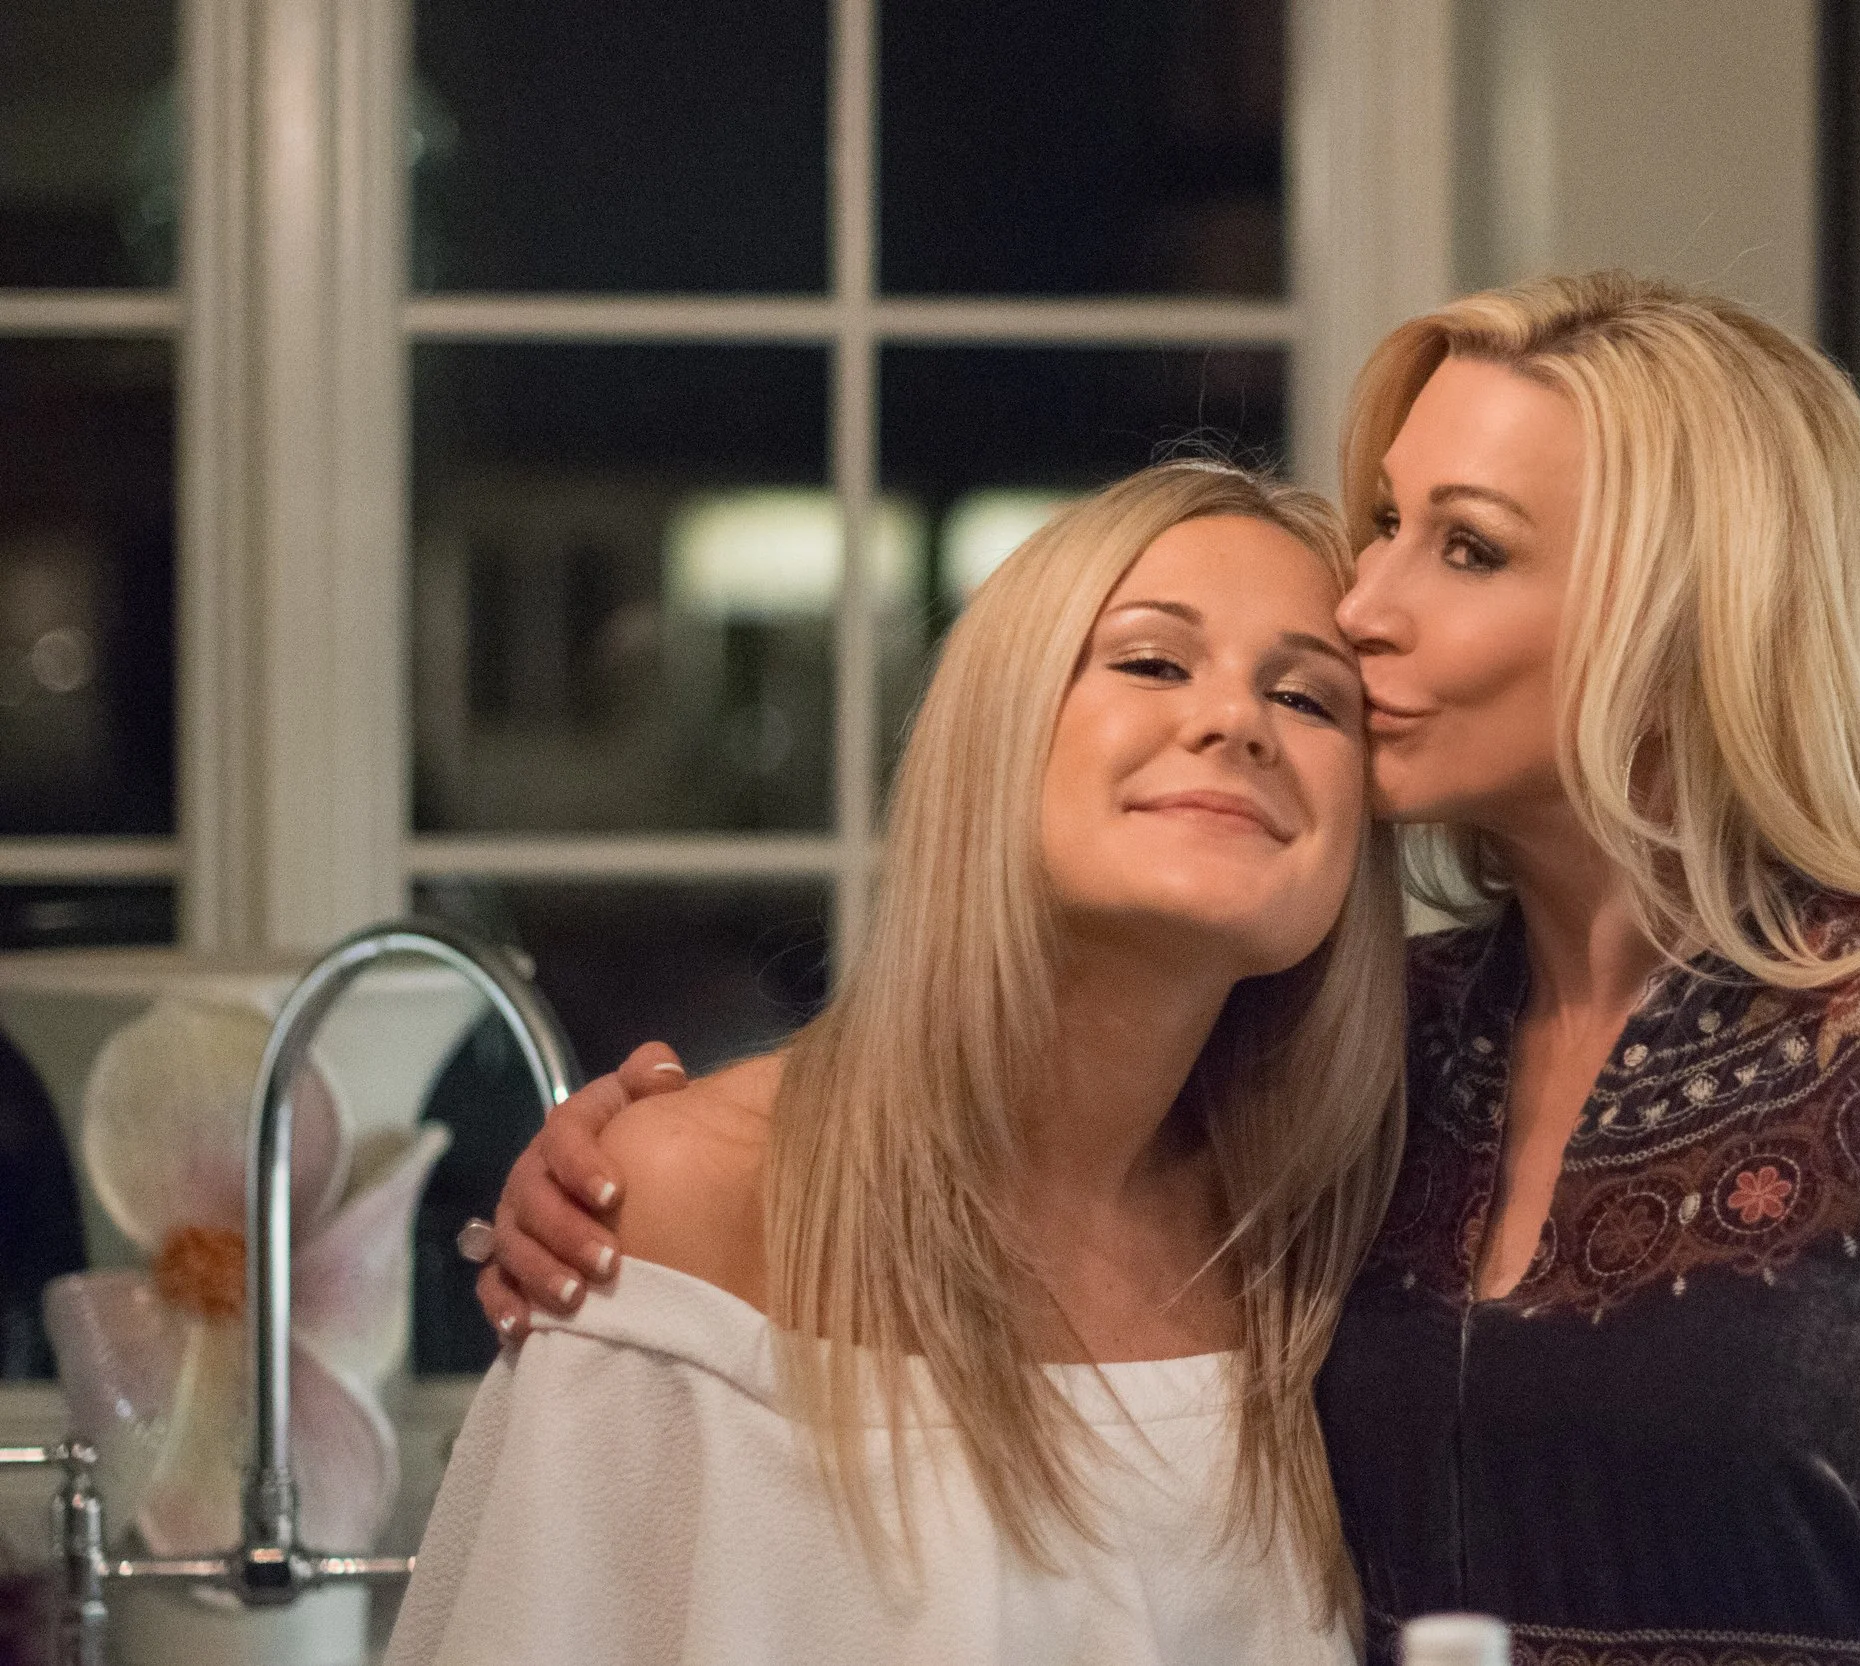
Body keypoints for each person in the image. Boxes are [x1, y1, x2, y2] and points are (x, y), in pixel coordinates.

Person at [476, 274, 1860, 1666]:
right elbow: (1006, 1143)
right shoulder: (1379, 1053)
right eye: (1385, 526)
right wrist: (623, 1173)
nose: (1361, 606)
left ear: (1684, 622)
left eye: (1466, 548)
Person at [391, 461, 1406, 1666]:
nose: (1236, 720)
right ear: (993, 733)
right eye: (1149, 661)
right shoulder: (692, 1197)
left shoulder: (1326, 1249)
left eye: (1306, 697)